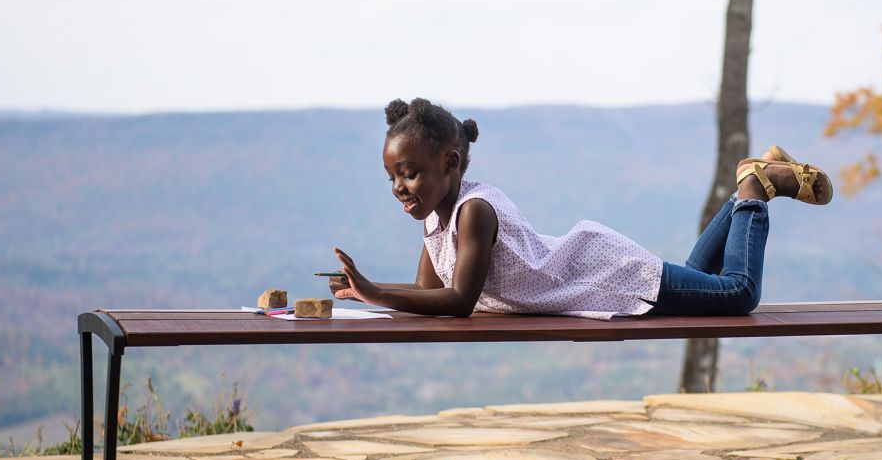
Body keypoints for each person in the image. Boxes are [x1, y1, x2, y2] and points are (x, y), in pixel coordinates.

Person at [330, 97, 832, 320]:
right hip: (601, 283)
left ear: (450, 163)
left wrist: (377, 295)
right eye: (393, 176)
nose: (399, 186)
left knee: (738, 294)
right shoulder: (438, 220)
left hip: (604, 275)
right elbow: (427, 293)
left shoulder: (473, 212)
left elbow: (459, 302)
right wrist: (367, 288)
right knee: (699, 277)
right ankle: (755, 179)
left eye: (410, 172)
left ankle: (752, 189)